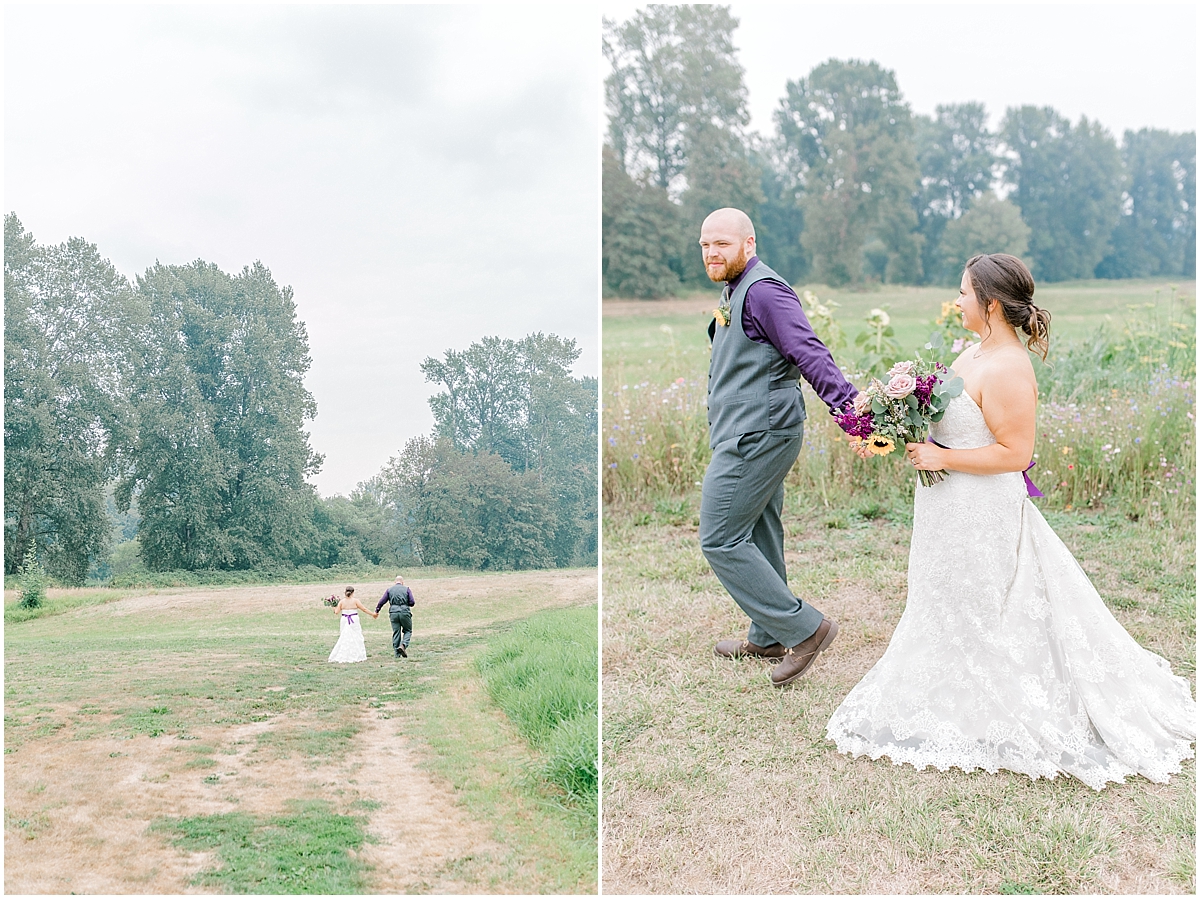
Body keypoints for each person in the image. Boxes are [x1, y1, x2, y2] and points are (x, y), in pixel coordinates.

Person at [826, 253, 1196, 789]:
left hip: (980, 509)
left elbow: (1016, 454)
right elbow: (948, 425)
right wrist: (893, 431)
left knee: (983, 603)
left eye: (963, 293)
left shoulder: (1008, 369)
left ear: (992, 304)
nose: (956, 302)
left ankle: (992, 701)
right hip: (946, 505)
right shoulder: (973, 354)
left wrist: (943, 459)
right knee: (945, 596)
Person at [699, 207, 860, 687]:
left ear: (749, 243)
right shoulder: (735, 290)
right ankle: (767, 634)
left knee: (720, 536)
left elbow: (807, 350)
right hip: (747, 428)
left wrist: (850, 412)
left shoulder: (765, 291)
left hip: (759, 431)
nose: (712, 252)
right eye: (705, 244)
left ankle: (805, 629)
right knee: (759, 528)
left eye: (722, 244)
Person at [328, 586, 377, 664]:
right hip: (354, 619)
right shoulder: (356, 601)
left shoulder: (341, 602)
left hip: (344, 619)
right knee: (356, 635)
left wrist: (333, 607)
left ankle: (344, 653)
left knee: (344, 636)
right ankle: (357, 653)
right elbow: (364, 609)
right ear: (353, 592)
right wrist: (373, 614)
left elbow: (336, 612)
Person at [376, 576, 415, 658]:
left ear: (395, 582)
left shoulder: (389, 590)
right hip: (404, 612)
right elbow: (412, 602)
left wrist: (377, 610)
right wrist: (405, 603)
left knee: (396, 632)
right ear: (402, 582)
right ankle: (403, 645)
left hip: (393, 612)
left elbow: (382, 601)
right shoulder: (406, 589)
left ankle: (397, 654)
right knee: (408, 630)